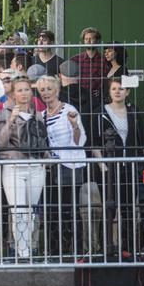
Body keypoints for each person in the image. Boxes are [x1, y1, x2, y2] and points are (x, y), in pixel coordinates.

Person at [92, 78, 144, 253]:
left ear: (127, 92)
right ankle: (108, 247)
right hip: (109, 169)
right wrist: (104, 166)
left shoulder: (134, 111)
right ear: (109, 92)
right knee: (110, 208)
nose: (118, 91)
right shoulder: (100, 112)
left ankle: (130, 247)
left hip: (131, 167)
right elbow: (95, 142)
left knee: (130, 208)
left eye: (121, 88)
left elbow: (143, 140)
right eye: (114, 88)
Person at [0, 77, 49, 259]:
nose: (24, 93)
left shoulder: (37, 114)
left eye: (27, 90)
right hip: (14, 166)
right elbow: (0, 142)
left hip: (36, 167)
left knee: (32, 212)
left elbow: (43, 140)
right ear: (13, 94)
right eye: (20, 90)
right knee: (19, 212)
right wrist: (11, 120)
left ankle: (29, 248)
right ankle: (23, 254)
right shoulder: (4, 113)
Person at [37, 74, 88, 255]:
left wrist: (74, 125)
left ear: (57, 90)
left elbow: (80, 140)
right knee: (52, 210)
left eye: (49, 89)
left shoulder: (69, 110)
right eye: (42, 90)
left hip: (70, 166)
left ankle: (76, 248)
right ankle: (55, 249)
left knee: (70, 210)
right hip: (51, 168)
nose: (46, 93)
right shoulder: (41, 115)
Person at [70, 27, 110, 101]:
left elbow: (108, 80)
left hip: (98, 100)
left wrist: (102, 92)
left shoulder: (104, 60)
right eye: (86, 39)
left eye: (91, 38)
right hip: (79, 99)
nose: (88, 41)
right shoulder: (75, 60)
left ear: (97, 41)